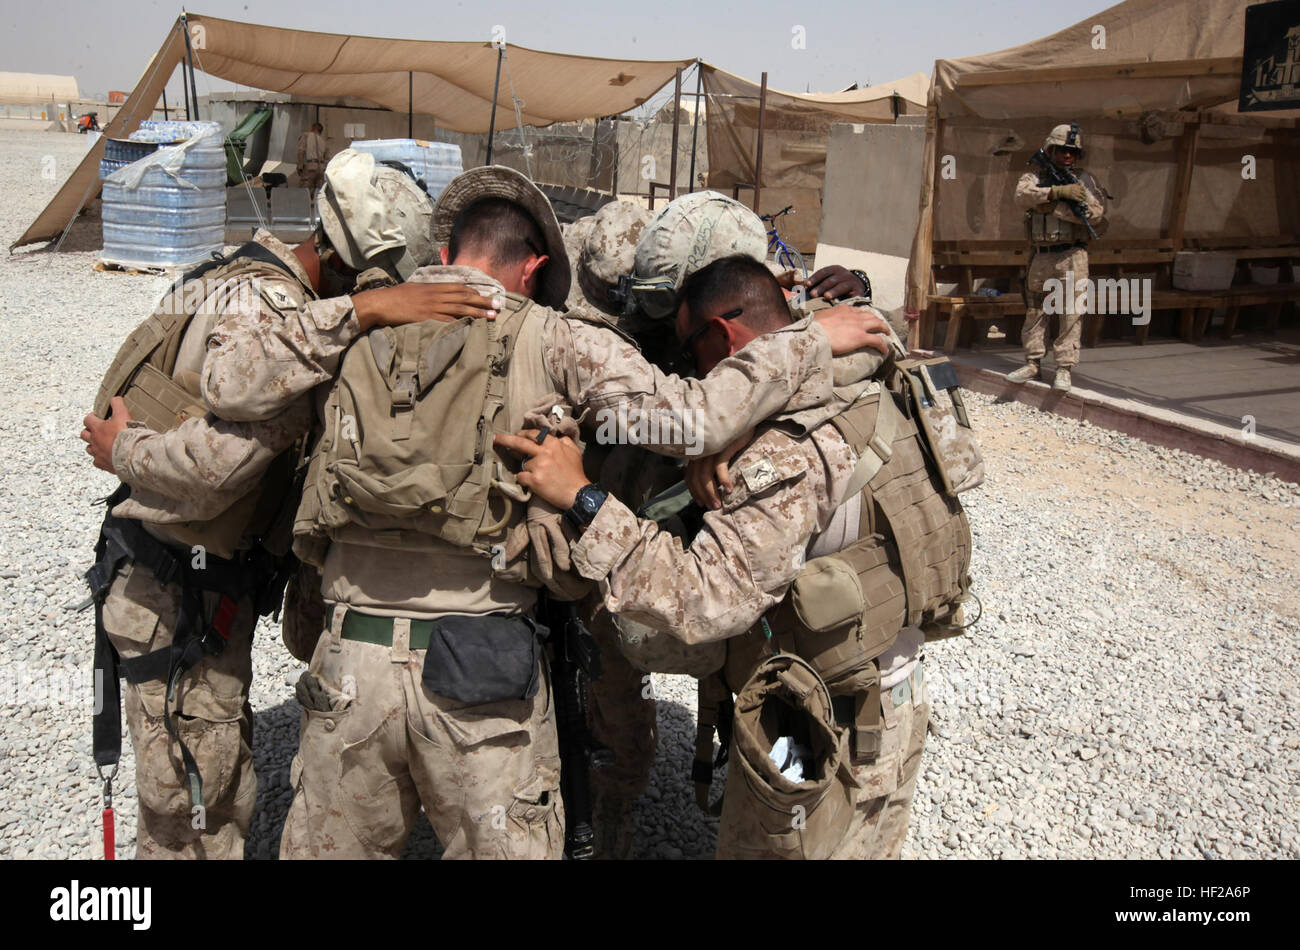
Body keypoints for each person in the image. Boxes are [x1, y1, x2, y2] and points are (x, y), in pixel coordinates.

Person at [195, 163, 887, 860]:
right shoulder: (557, 340)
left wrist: (363, 309)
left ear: (444, 255)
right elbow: (695, 419)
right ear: (532, 268)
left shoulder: (351, 329)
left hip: (348, 663)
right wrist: (813, 337)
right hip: (481, 670)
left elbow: (226, 383)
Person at [79, 150, 497, 859]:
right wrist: (123, 452)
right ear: (344, 264)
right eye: (381, 281)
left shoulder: (239, 270)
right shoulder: (279, 315)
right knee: (197, 803)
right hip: (178, 595)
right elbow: (218, 465)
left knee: (198, 775)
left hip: (175, 578)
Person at [500, 254, 975, 860]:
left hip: (821, 724)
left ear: (721, 336)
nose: (693, 380)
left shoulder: (785, 451)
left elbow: (706, 600)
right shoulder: (880, 374)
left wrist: (584, 499)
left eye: (688, 355)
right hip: (895, 700)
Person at [1008, 122, 1107, 393]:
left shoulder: (1085, 181)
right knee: (1036, 309)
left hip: (1072, 253)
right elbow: (1021, 196)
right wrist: (1055, 192)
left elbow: (1097, 215)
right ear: (1050, 150)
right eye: (1062, 151)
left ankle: (1064, 368)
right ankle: (1033, 362)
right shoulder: (1034, 177)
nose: (1067, 156)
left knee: (1070, 311)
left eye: (1072, 152)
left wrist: (1059, 208)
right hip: (1042, 254)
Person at [297, 122, 329, 193]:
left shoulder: (306, 135)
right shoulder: (323, 141)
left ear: (313, 128)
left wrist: (300, 166)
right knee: (318, 193)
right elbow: (327, 158)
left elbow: (301, 151)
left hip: (310, 168)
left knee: (305, 192)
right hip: (321, 170)